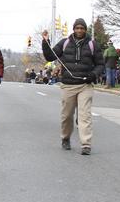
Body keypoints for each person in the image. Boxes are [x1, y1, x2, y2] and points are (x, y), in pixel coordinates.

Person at [41, 19, 103, 155]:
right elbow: (50, 56)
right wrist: (46, 42)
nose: (79, 30)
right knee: (67, 115)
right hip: (68, 85)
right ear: (73, 29)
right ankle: (65, 138)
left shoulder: (92, 45)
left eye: (82, 28)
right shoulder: (65, 43)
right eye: (77, 28)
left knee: (84, 115)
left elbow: (100, 64)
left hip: (85, 85)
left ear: (85, 30)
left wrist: (93, 75)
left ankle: (86, 144)